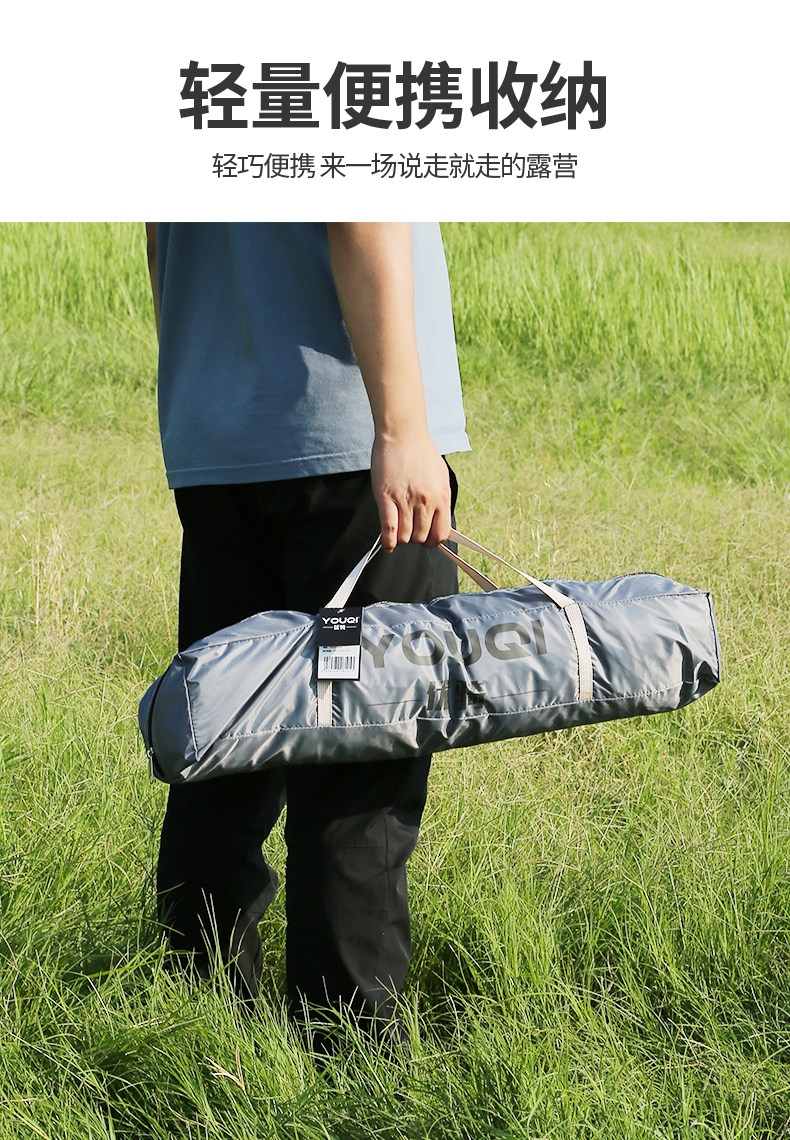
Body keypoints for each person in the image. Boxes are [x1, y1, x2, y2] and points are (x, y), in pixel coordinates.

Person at [145, 222, 470, 1048]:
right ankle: (347, 1056)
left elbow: (159, 233)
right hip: (348, 454)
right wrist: (402, 428)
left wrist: (204, 387)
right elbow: (362, 214)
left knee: (226, 743)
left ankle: (198, 1024)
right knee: (359, 758)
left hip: (217, 442)